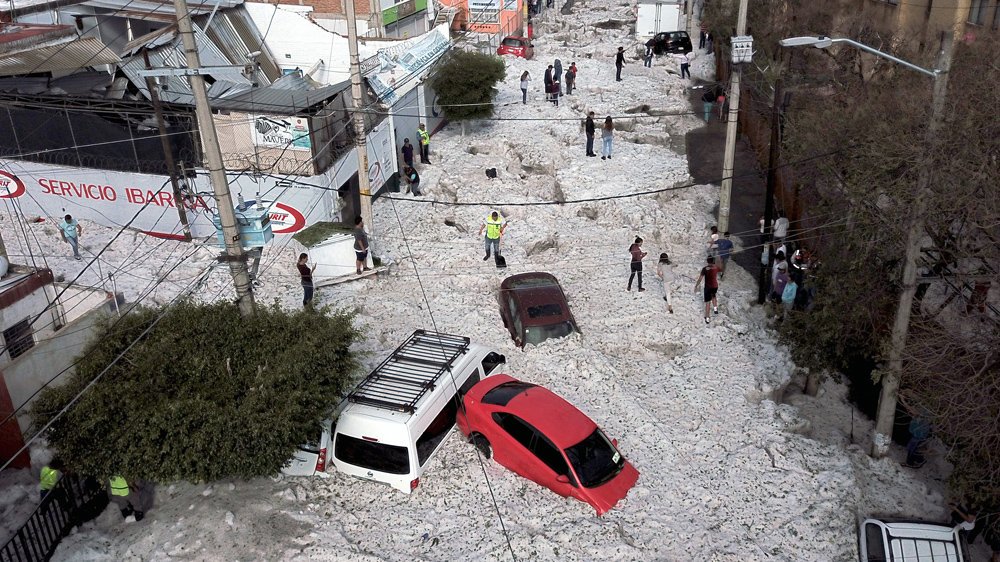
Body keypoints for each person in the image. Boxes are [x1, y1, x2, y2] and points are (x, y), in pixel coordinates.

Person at [694, 256, 721, 324]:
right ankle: (715, 308)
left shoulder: (704, 269)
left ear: (707, 261)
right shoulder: (716, 268)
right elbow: (720, 268)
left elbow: (700, 279)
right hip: (715, 286)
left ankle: (707, 318)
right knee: (714, 296)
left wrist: (696, 285)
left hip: (708, 287)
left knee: (708, 303)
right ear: (713, 261)